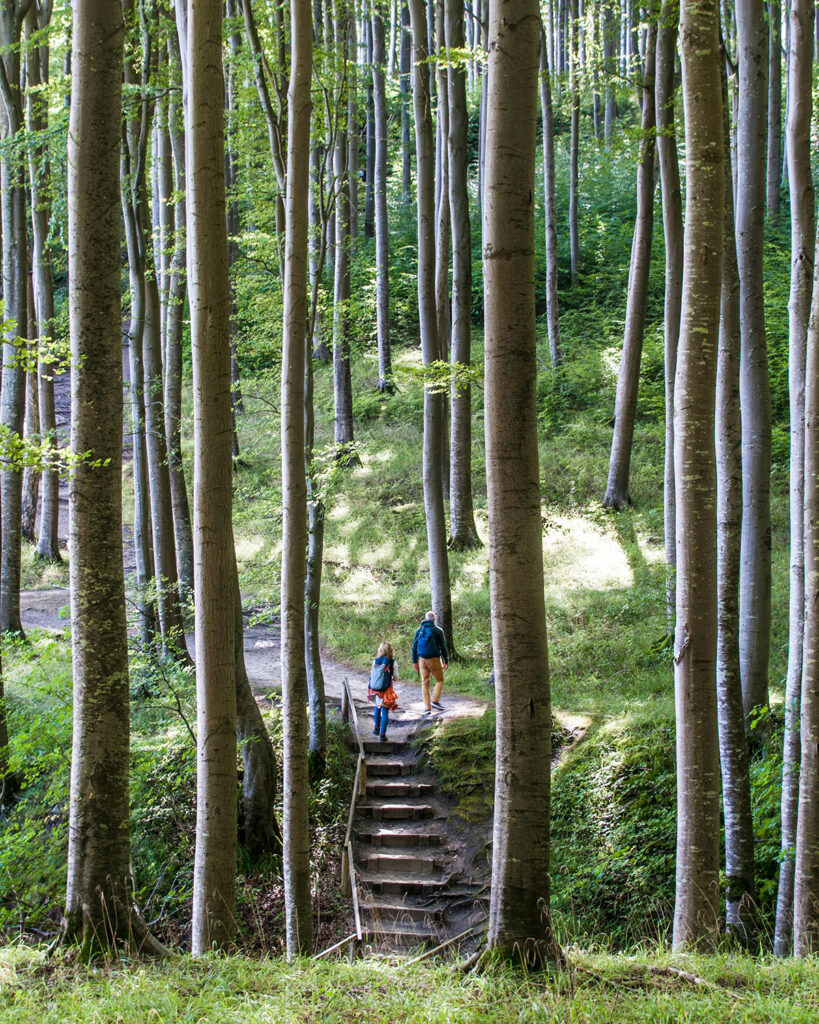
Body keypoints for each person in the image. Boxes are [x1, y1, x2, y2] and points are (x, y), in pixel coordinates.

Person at [412, 610, 449, 715]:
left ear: (425, 619)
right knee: (440, 680)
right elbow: (443, 647)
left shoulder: (419, 630)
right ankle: (435, 701)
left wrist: (414, 661)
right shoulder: (438, 631)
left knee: (425, 682)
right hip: (434, 659)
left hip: (421, 659)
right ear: (434, 620)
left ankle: (427, 708)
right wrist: (445, 660)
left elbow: (414, 647)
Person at [369, 641, 398, 741]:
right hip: (386, 690)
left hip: (375, 689)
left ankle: (376, 729)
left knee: (377, 708)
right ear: (391, 651)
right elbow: (396, 677)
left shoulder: (375, 660)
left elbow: (372, 674)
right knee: (385, 711)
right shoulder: (392, 662)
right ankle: (382, 735)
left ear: (380, 650)